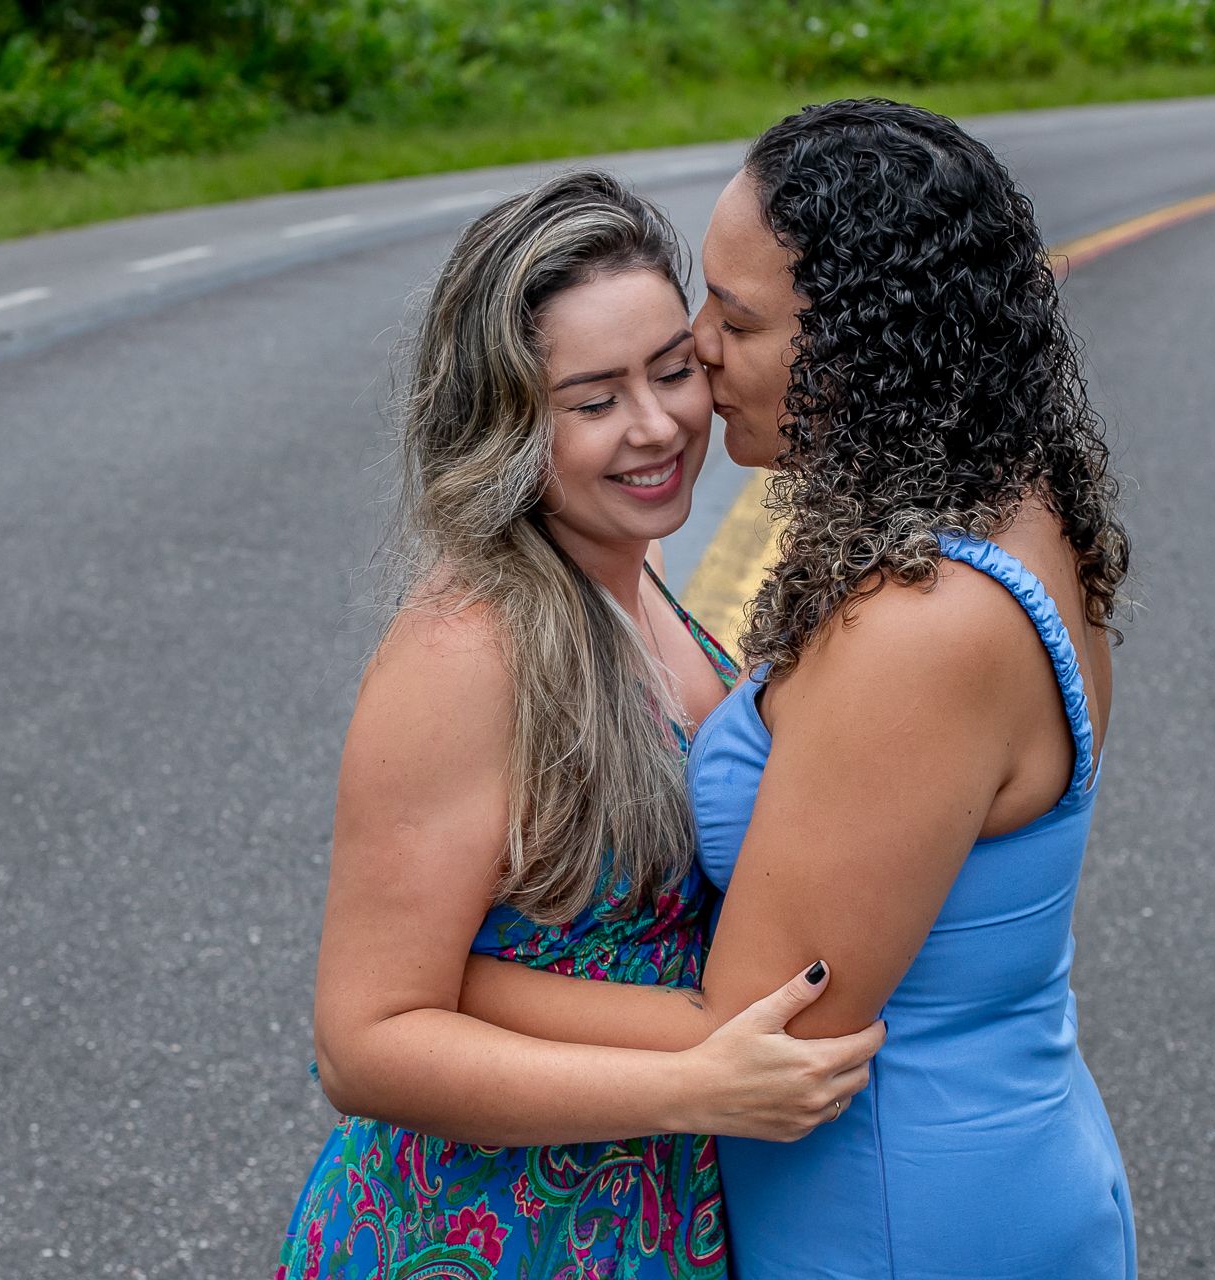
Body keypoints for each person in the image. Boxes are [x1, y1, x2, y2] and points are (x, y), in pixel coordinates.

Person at [459, 100, 1137, 1278]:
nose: (696, 348)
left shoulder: (923, 624)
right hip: (984, 1154)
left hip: (895, 1215)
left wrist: (451, 990)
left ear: (863, 343)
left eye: (738, 319)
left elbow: (763, 1022)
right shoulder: (1010, 512)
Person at [277, 170, 883, 1280]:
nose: (657, 426)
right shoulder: (468, 648)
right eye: (594, 401)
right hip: (475, 1236)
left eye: (673, 370)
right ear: (506, 424)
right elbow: (364, 1042)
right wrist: (692, 1084)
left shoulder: (632, 575)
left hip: (641, 1216)